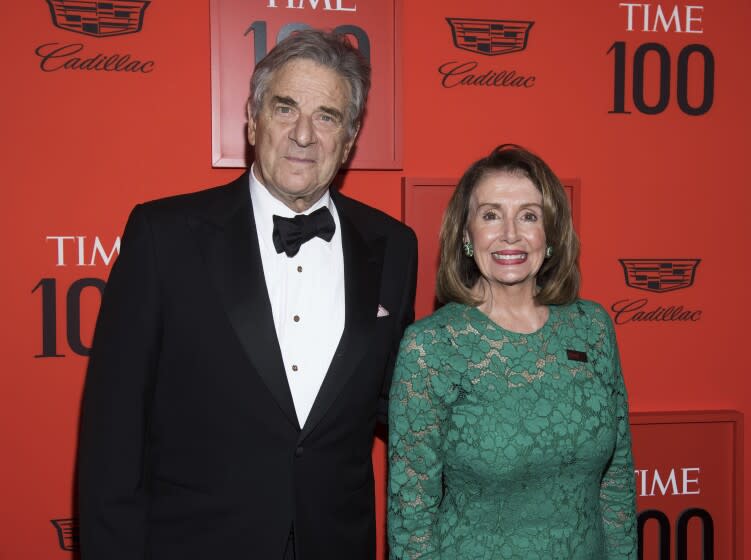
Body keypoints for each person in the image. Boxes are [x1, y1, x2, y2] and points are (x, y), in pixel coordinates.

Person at [78, 29, 417, 560]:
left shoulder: (395, 247)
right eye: (285, 109)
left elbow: (401, 403)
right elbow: (112, 436)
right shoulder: (165, 236)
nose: (304, 135)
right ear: (253, 121)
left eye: (327, 116)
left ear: (349, 140)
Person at [387, 145, 636, 558]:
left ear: (550, 235)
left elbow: (617, 484)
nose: (510, 234)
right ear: (466, 236)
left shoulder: (592, 328)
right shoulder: (431, 347)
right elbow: (411, 520)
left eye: (528, 215)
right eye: (490, 215)